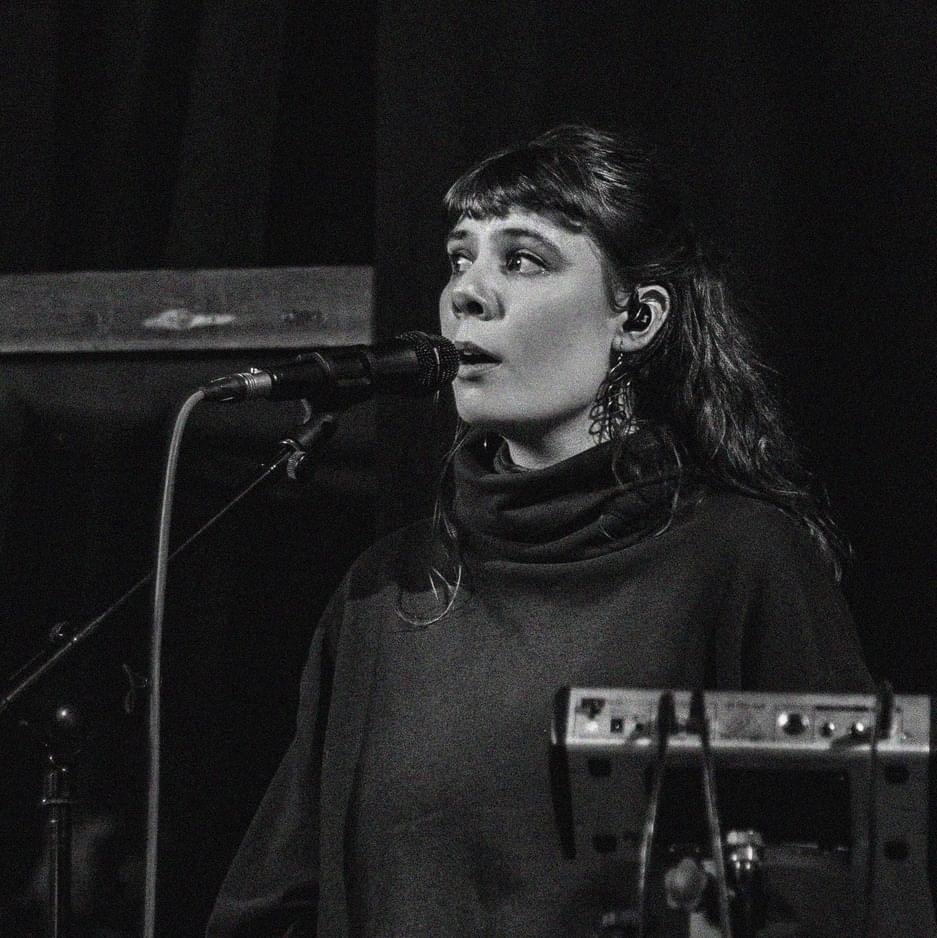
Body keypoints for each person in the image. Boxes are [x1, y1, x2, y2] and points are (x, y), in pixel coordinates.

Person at [207, 125, 872, 937]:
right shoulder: (385, 591)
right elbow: (274, 904)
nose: (466, 293)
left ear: (637, 317)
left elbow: (840, 888)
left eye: (521, 260)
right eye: (459, 259)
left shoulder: (739, 560)